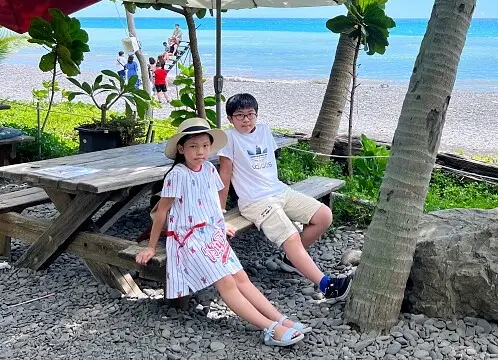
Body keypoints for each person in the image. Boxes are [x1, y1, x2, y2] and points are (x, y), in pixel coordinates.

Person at [136, 119, 306, 347]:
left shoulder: (208, 169)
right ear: (181, 149)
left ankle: (279, 318)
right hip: (189, 239)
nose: (200, 152)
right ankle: (270, 328)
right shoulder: (177, 175)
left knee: (241, 277)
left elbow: (213, 201)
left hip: (211, 233)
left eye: (205, 146)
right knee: (227, 282)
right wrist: (150, 246)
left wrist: (220, 223)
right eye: (193, 146)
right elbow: (161, 212)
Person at [218, 93, 353, 302]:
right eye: (240, 115)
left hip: (279, 191)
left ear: (256, 115)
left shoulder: (264, 131)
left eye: (250, 114)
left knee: (324, 215)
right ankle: (326, 285)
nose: (246, 120)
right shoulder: (229, 138)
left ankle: (291, 260)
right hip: (255, 200)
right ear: (230, 119)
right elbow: (225, 174)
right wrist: (220, 208)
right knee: (289, 235)